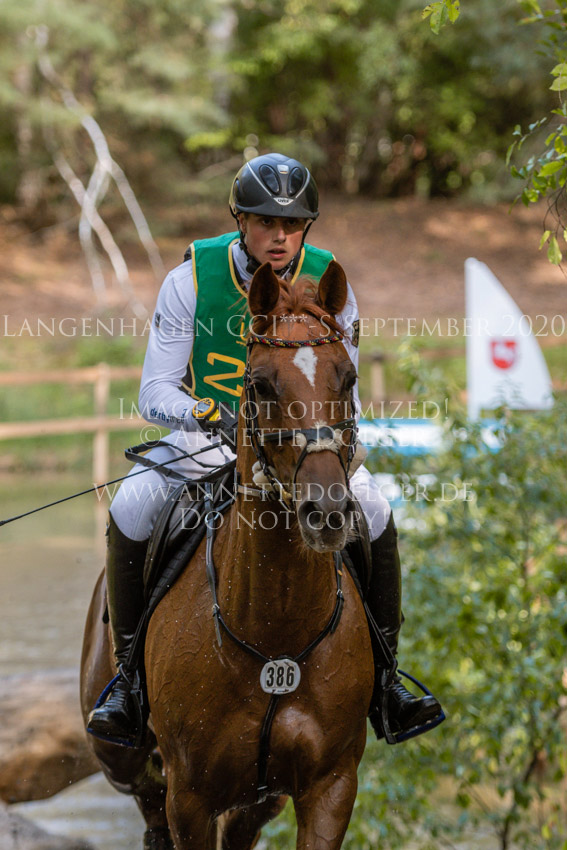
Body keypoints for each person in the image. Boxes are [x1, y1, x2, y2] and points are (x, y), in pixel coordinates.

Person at [87, 152, 443, 746]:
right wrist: (208, 413)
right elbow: (154, 392)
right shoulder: (190, 280)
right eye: (265, 222)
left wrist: (324, 444)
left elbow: (344, 389)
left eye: (292, 224)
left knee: (376, 510)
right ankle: (128, 681)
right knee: (131, 505)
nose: (279, 236)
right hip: (205, 440)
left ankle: (387, 683)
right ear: (241, 220)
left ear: (306, 227)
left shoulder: (331, 284)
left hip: (303, 448)